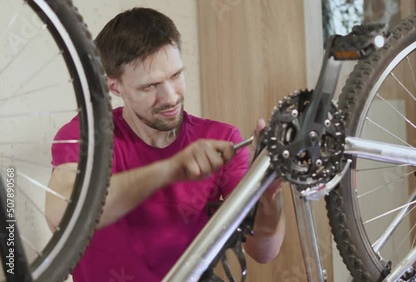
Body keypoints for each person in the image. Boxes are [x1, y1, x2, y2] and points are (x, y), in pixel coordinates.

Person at [45, 7, 285, 282]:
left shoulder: (221, 137)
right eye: (150, 87)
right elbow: (62, 212)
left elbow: (264, 252)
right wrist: (170, 169)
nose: (170, 98)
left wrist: (268, 195)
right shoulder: (87, 134)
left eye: (175, 76)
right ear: (115, 87)